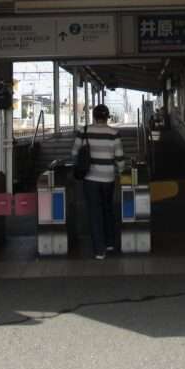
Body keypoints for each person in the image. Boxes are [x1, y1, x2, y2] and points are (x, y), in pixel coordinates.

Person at [72, 103, 124, 259]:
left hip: (90, 178)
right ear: (107, 117)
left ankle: (99, 250)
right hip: (108, 177)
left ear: (93, 116)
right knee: (107, 208)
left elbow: (74, 152)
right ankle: (109, 243)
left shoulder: (84, 130)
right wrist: (120, 171)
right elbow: (119, 157)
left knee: (95, 212)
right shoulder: (114, 132)